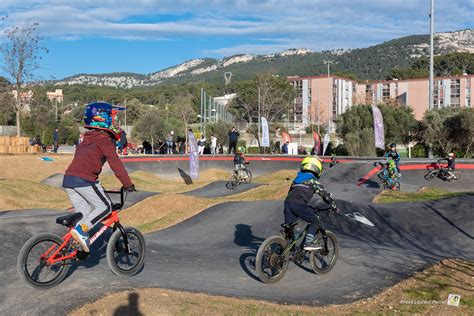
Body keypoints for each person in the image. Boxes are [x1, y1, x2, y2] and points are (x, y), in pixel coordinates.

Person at [62, 102, 135, 252]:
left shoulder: (84, 141)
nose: (114, 121)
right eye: (111, 117)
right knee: (106, 207)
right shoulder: (104, 141)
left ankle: (76, 248)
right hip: (85, 180)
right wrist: (128, 184)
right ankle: (81, 231)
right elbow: (116, 165)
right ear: (103, 119)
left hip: (69, 180)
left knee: (85, 214)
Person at [284, 156, 339, 251]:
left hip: (288, 203)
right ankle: (308, 243)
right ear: (317, 168)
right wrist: (333, 206)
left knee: (290, 228)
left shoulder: (296, 180)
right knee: (315, 222)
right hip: (299, 204)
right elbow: (325, 196)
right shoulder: (313, 180)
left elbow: (291, 193)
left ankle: (285, 250)